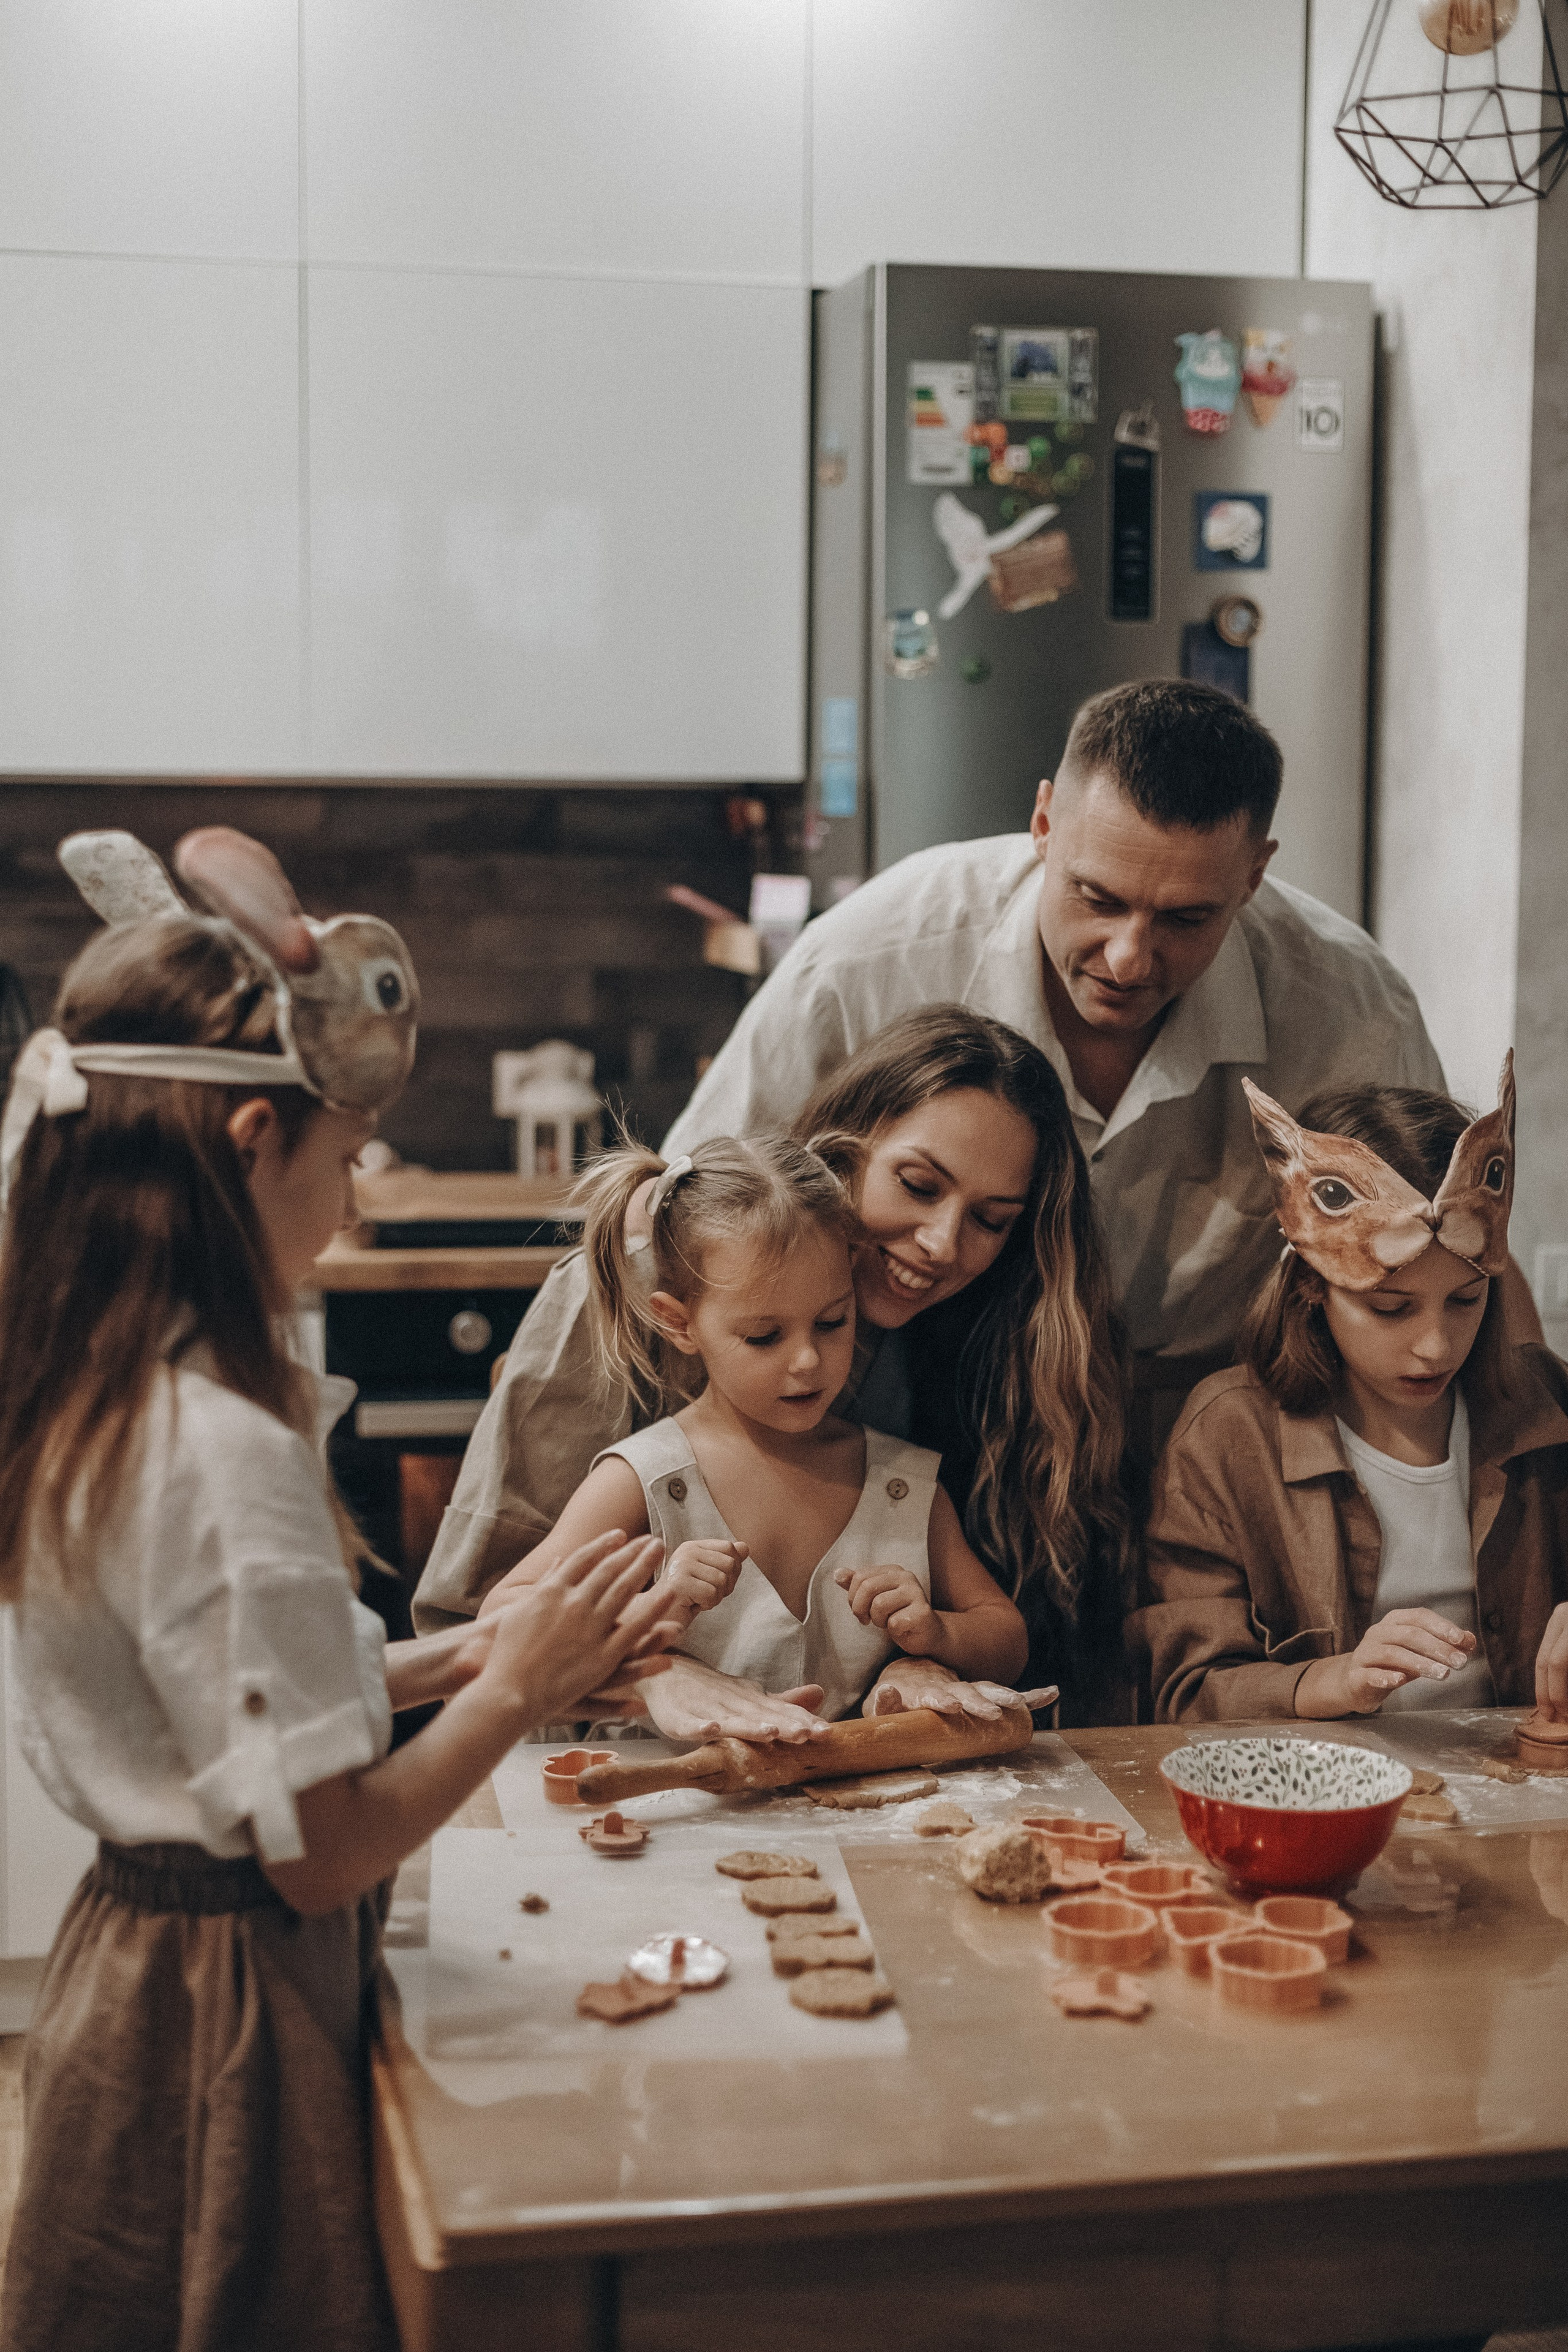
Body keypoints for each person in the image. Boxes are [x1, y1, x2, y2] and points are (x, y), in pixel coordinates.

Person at [0, 832, 677, 2352]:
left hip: (140, 1953)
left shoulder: (100, 1383)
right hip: (229, 1989)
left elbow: (240, 1720)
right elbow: (317, 1850)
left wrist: (466, 1653)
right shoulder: (217, 1453)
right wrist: (518, 1690)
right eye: (348, 1148)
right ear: (249, 1140)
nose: (360, 1190)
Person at [661, 679, 1446, 1446]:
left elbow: (1446, 1258)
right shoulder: (869, 959)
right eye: (1097, 899)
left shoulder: (1353, 1012)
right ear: (1043, 822)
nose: (1129, 958)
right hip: (877, 1407)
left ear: (1254, 873)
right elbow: (677, 1216)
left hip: (1207, 1427)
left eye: (1185, 917)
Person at [416, 1008, 1132, 1722]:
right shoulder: (637, 1418)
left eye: (991, 1220)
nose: (943, 1244)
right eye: (917, 1184)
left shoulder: (942, 1403)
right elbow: (476, 1634)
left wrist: (928, 1651)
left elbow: (998, 1633)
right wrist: (651, 1671)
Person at [478, 1133, 1035, 1739]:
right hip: (669, 1819)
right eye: (764, 1336)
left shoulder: (899, 1486)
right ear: (679, 1322)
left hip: (856, 1826)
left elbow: (1006, 1639)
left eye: (831, 1322)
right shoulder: (647, 1482)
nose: (806, 1361)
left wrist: (933, 1638)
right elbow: (495, 1629)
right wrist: (647, 1621)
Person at [1128, 1068, 1568, 1724]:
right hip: (1318, 1797)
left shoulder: (1547, 1401)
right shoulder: (1227, 1435)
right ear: (1311, 1288)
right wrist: (1331, 1683)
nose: (1435, 1347)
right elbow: (1183, 1692)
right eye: (1390, 1308)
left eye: (1464, 1301)